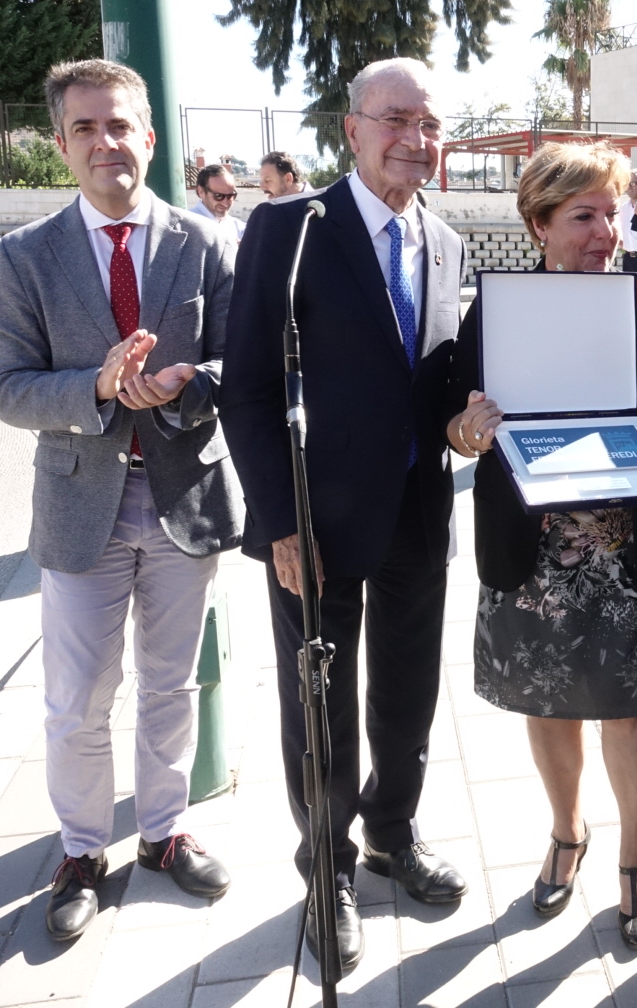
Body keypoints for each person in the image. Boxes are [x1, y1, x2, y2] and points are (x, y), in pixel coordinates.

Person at [0, 59, 241, 942]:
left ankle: (164, 834)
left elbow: (239, 361)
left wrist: (187, 383)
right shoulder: (26, 254)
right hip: (80, 506)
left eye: (120, 125)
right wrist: (94, 387)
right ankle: (83, 851)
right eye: (86, 128)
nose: (106, 143)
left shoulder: (203, 242)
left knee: (172, 683)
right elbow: (8, 388)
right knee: (78, 700)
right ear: (62, 144)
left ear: (150, 138)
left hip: (182, 500)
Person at [222, 58, 466, 972]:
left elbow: (436, 383)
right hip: (313, 522)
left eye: (430, 123)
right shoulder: (290, 229)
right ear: (353, 129)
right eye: (396, 118)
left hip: (418, 511)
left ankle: (392, 834)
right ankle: (326, 869)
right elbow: (247, 388)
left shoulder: (445, 242)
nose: (416, 138)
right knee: (317, 702)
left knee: (408, 692)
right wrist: (277, 520)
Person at [445, 142, 637, 951]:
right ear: (540, 225)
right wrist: (468, 431)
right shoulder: (497, 309)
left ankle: (635, 856)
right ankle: (567, 833)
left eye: (615, 214)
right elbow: (455, 422)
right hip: (530, 550)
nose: (606, 233)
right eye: (584, 216)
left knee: (630, 710)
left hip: (620, 551)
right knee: (545, 703)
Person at [190, 164, 246, 244]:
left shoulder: (238, 227)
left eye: (230, 196)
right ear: (201, 192)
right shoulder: (186, 226)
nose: (225, 202)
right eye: (218, 196)